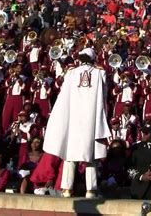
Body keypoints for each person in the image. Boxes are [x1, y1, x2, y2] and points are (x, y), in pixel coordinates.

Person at [43, 48, 111, 198]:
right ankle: (91, 190)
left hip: (74, 119)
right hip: (91, 120)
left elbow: (63, 95)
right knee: (90, 156)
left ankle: (66, 189)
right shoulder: (100, 73)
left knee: (70, 155)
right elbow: (104, 94)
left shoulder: (71, 73)